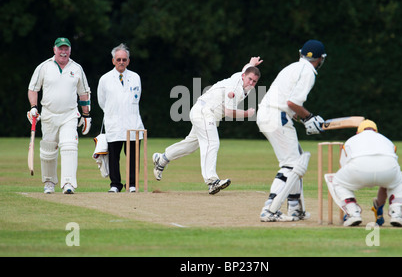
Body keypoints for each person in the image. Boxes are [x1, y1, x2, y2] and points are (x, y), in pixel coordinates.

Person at [152, 57, 262, 194]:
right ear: (243, 76)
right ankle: (212, 181)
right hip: (204, 112)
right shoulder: (235, 88)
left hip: (205, 113)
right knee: (212, 143)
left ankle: (162, 158)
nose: (251, 83)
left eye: (254, 81)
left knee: (190, 145)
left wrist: (252, 64)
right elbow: (229, 112)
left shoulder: (243, 78)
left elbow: (247, 68)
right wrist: (247, 113)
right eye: (249, 79)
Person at [257, 40, 327, 222]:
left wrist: (303, 118)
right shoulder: (308, 72)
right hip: (276, 116)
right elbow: (292, 103)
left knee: (298, 159)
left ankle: (295, 207)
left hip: (268, 113)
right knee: (291, 164)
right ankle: (270, 209)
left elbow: (286, 102)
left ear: (300, 53)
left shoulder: (292, 68)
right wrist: (309, 117)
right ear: (320, 59)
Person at [27, 37, 92, 194]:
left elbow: (83, 94)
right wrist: (33, 108)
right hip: (49, 114)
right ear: (54, 50)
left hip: (69, 114)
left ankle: (68, 183)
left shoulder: (77, 68)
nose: (63, 52)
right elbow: (33, 89)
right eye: (60, 48)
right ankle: (49, 182)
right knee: (48, 150)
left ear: (70, 50)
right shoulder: (44, 67)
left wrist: (86, 115)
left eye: (66, 49)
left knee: (69, 146)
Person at [327, 120, 402, 227]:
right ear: (376, 131)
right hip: (388, 169)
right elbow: (393, 168)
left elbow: (344, 166)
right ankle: (397, 214)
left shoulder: (351, 140)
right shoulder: (386, 140)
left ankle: (353, 213)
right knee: (398, 181)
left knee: (336, 181)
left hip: (359, 168)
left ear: (357, 132)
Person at [97, 43, 145, 193]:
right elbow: (102, 101)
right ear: (113, 61)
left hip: (132, 122)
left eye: (124, 59)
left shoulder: (135, 77)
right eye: (118, 59)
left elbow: (137, 98)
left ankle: (132, 184)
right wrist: (113, 112)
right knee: (113, 156)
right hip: (114, 122)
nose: (121, 62)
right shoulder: (105, 79)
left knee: (132, 156)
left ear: (128, 61)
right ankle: (115, 185)